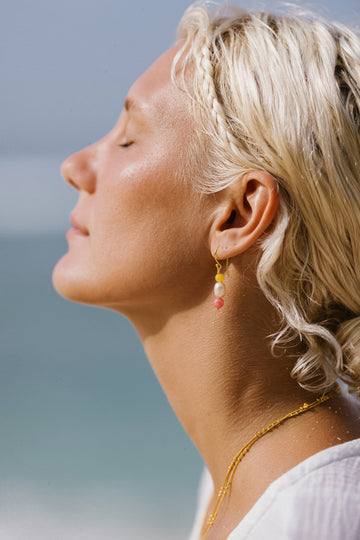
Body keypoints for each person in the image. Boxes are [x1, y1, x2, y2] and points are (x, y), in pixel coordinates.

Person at [52, 2, 360, 538]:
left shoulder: (312, 520)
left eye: (128, 139)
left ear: (239, 213)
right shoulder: (242, 469)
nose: (75, 167)